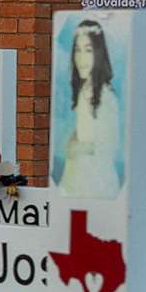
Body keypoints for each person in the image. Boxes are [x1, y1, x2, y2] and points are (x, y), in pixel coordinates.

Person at [53, 19, 123, 194]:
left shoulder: (106, 97)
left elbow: (109, 145)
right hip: (75, 174)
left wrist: (76, 148)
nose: (81, 58)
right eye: (77, 50)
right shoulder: (84, 90)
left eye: (88, 50)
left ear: (98, 53)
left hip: (95, 180)